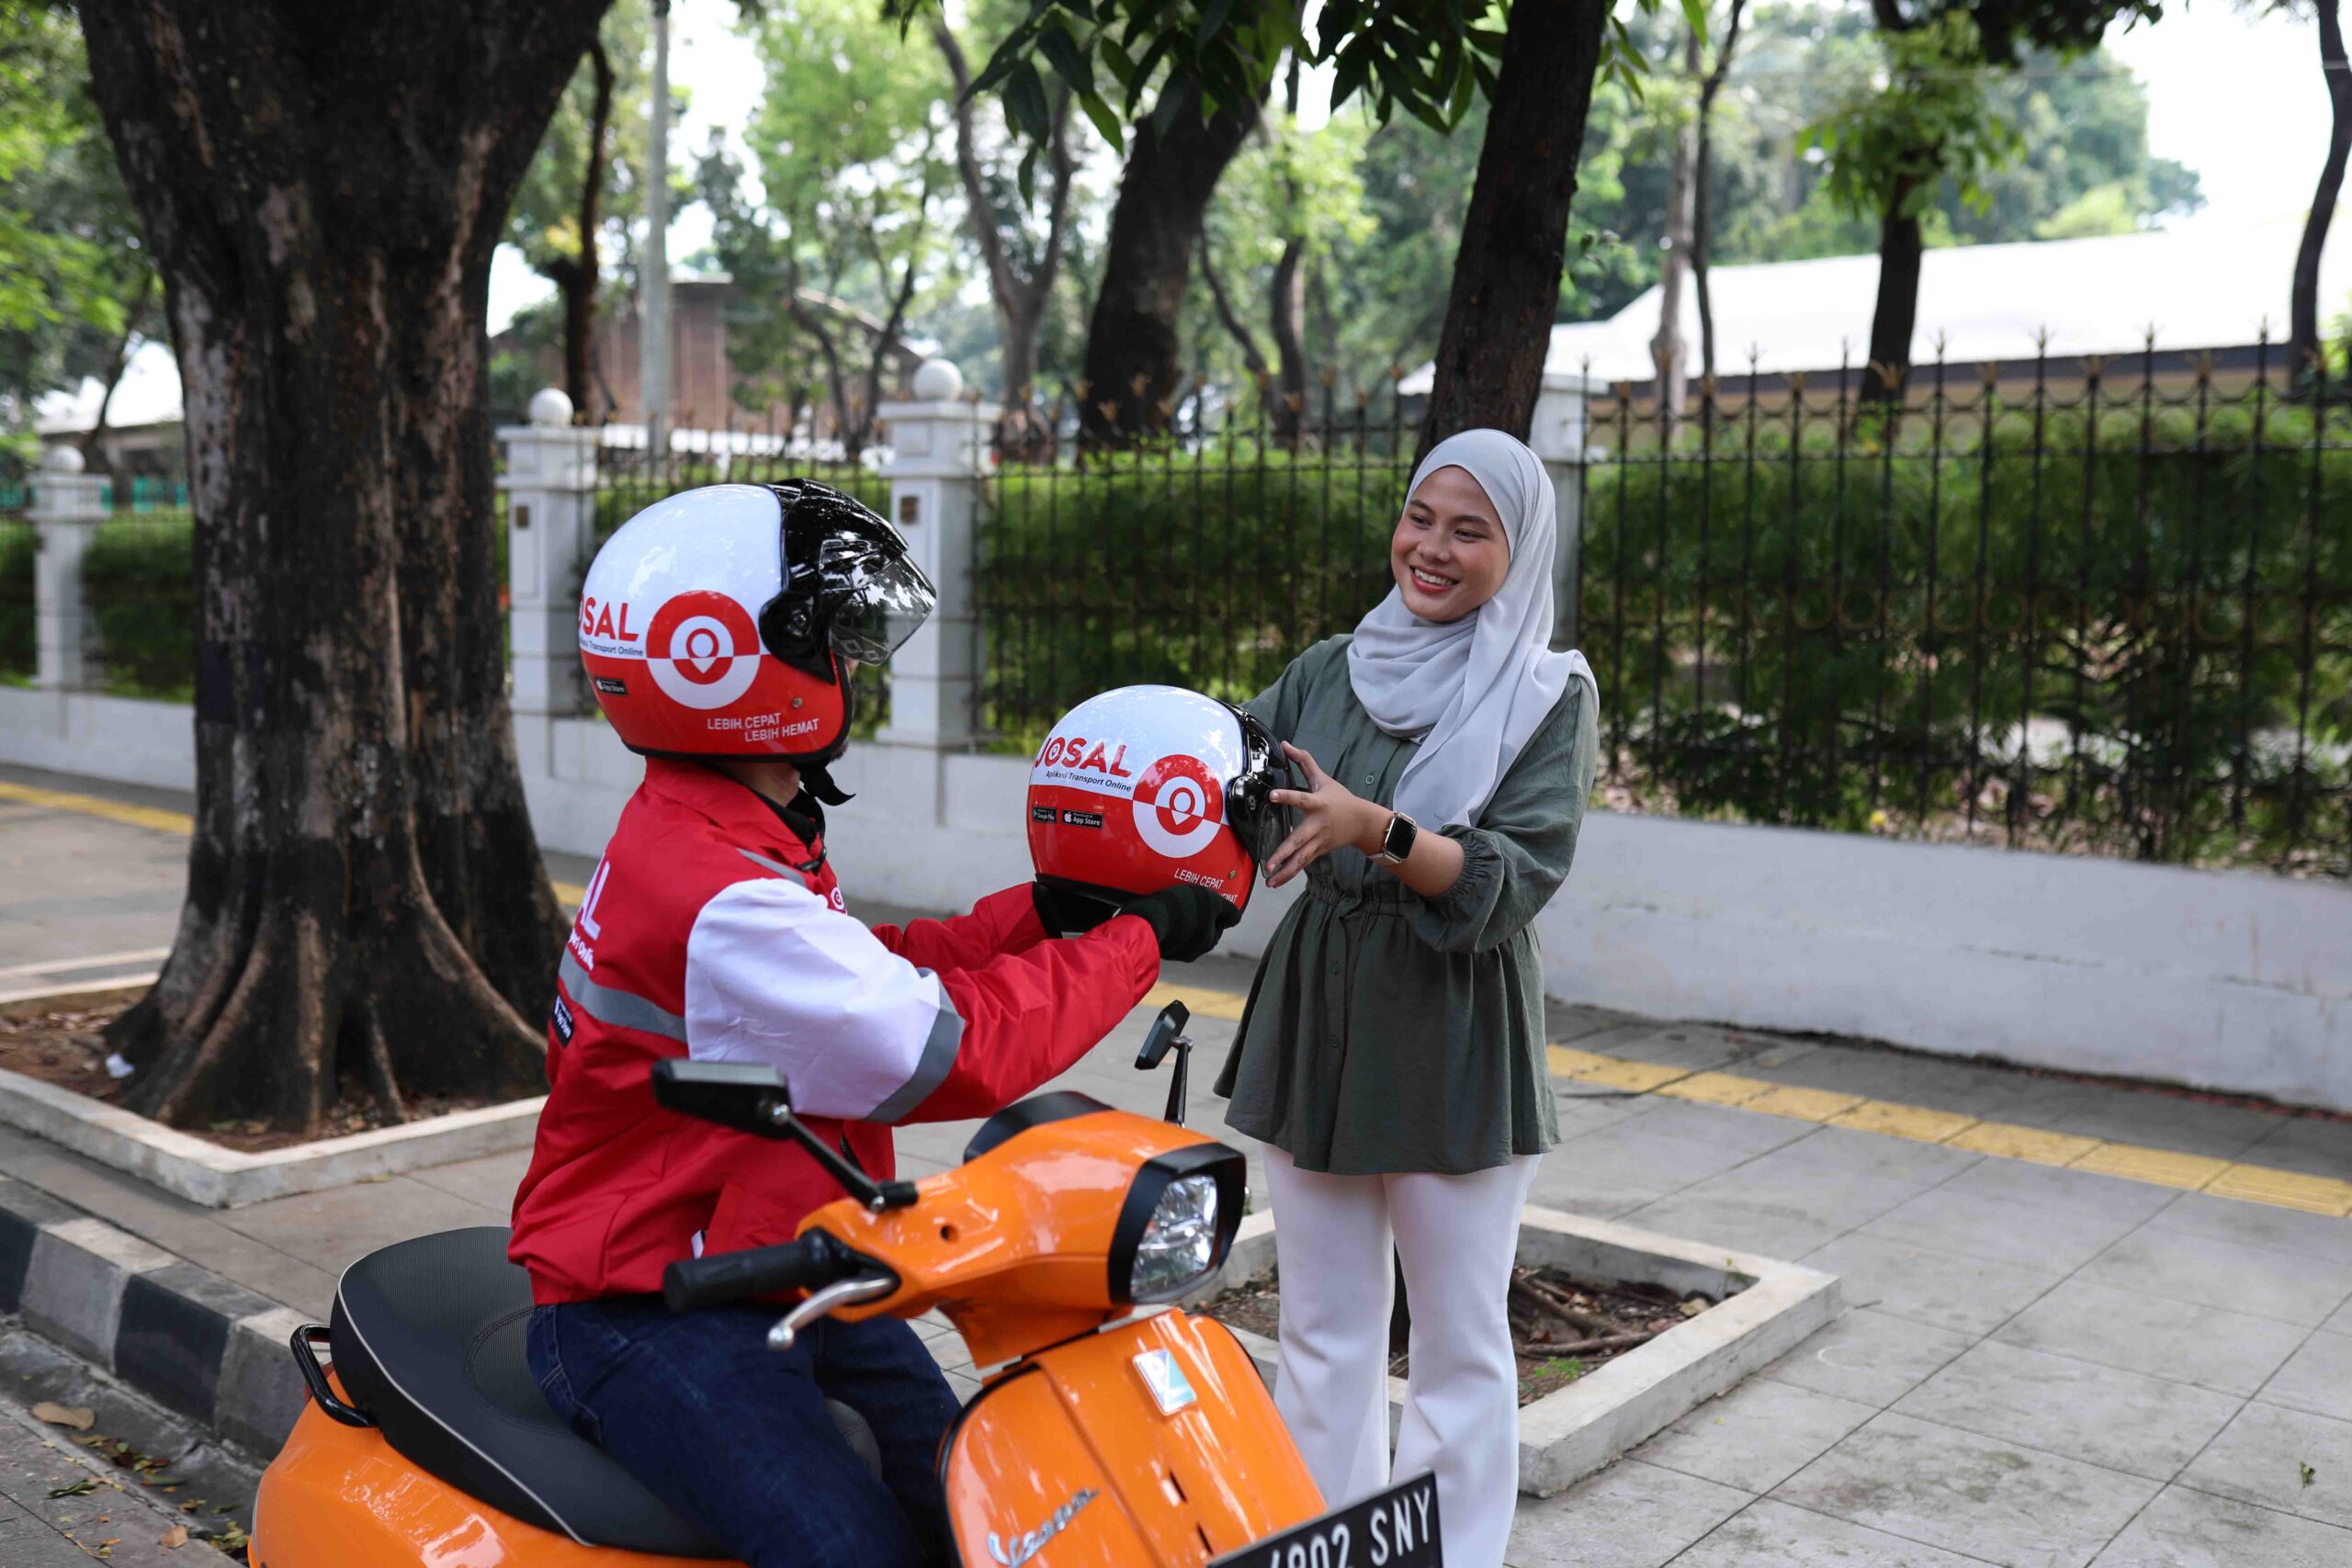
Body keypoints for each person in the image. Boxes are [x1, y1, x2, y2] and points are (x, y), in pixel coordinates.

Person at [507, 481, 1238, 1568]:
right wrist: (1140, 937)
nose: (852, 664)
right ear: (722, 662)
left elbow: (870, 974)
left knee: (996, 1509)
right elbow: (950, 1051)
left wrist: (1039, 917)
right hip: (649, 1307)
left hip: (783, 1264)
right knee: (857, 1554)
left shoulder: (724, 825)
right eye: (833, 638)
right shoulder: (718, 890)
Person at [1214, 430, 1600, 1568]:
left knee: (1458, 1344)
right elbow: (1231, 778)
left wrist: (1375, 831)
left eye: (1469, 530)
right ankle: (1321, 1550)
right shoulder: (1331, 668)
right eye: (1420, 517)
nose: (1431, 548)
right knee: (1323, 1334)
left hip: (1450, 1021)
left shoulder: (1544, 697)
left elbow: (1512, 876)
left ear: (1517, 552)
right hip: (1320, 1007)